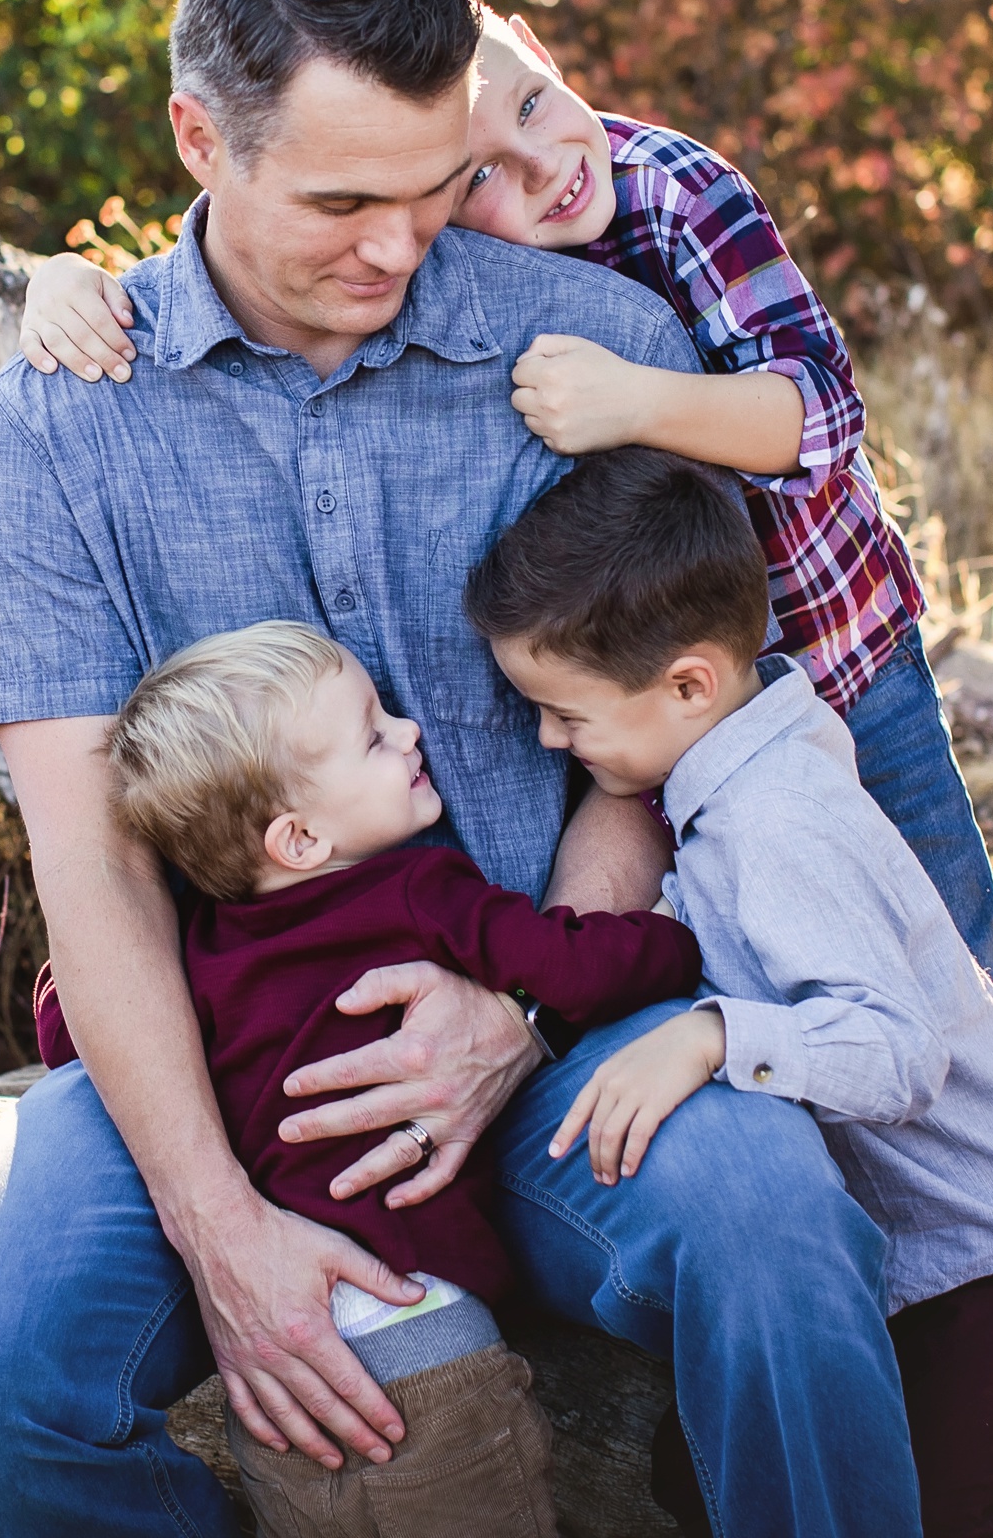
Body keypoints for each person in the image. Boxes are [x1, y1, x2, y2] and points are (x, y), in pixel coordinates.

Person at [0, 0, 919, 1538]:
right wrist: (223, 1236)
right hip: (237, 1063)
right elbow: (94, 876)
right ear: (198, 139)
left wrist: (517, 1020)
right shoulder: (64, 430)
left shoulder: (590, 342)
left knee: (776, 1227)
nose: (397, 248)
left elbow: (649, 748)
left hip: (568, 1016)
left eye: (435, 193)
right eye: (342, 200)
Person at [17, 7, 993, 1069]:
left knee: (948, 950)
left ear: (546, 51)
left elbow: (825, 415)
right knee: (781, 954)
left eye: (534, 103)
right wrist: (63, 278)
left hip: (835, 654)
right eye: (474, 179)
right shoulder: (423, 241)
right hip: (647, 709)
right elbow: (270, 207)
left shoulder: (669, 189)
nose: (540, 168)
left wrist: (639, 399)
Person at [468, 447, 993, 1538]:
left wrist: (707, 1034)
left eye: (566, 712)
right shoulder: (727, 770)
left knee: (927, 1503)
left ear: (688, 682)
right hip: (946, 1244)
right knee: (709, 1473)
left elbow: (897, 1053)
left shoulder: (776, 820)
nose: (549, 737)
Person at [54, 618, 705, 1537]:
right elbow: (575, 965)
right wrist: (683, 943)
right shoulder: (416, 893)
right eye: (373, 733)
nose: (409, 732)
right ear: (301, 837)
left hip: (280, 1366)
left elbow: (64, 1022)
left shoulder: (197, 951)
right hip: (421, 1333)